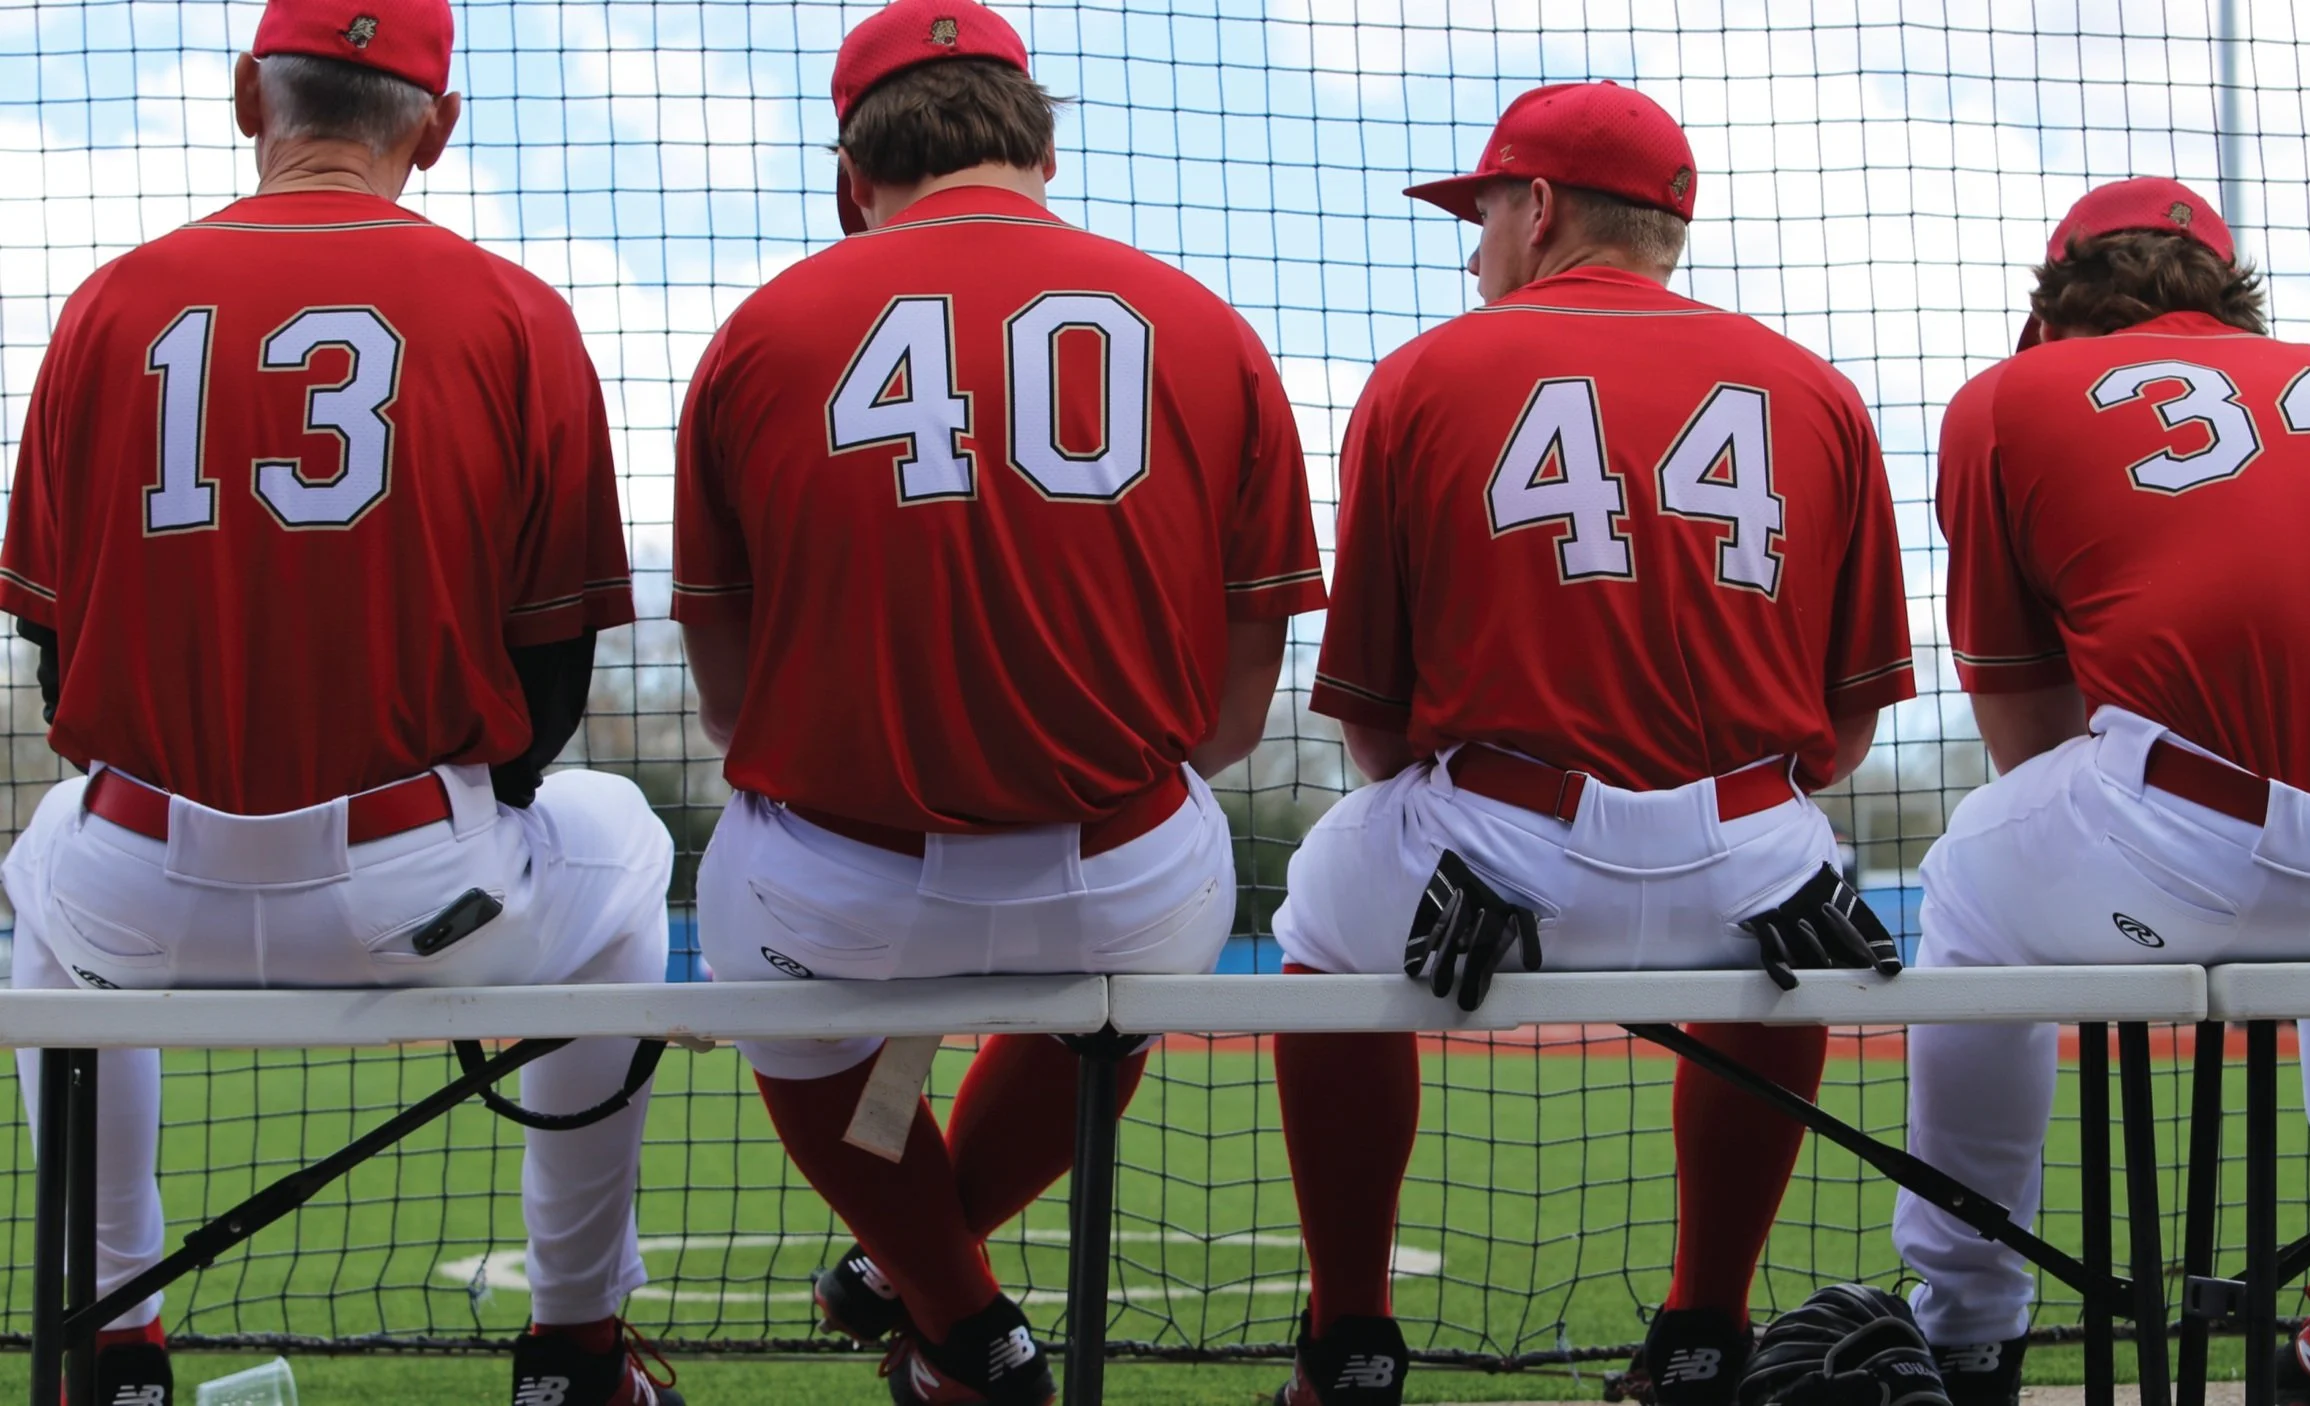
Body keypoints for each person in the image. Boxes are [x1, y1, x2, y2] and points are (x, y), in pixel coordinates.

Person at [0, 2, 680, 1403]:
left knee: (48, 881)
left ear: (253, 94)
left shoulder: (107, 304)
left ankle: (110, 1349)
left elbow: (56, 656)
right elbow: (554, 677)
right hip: (415, 897)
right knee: (624, 847)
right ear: (434, 127)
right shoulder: (518, 313)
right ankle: (574, 1349)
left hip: (140, 885)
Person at [669, 1, 1326, 1400]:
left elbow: (732, 713)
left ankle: (965, 1324)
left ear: (856, 176)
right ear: (1039, 142)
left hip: (839, 895)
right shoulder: (1207, 325)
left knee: (787, 986)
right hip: (1124, 879)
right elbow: (1230, 721)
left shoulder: (757, 330)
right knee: (1114, 994)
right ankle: (940, 1299)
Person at [1267, 81, 1917, 1406]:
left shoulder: (1423, 374)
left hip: (1488, 860)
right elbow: (1842, 733)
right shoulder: (1819, 390)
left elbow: (1379, 732)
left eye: (1486, 208)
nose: (1474, 243)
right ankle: (1703, 1333)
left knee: (1318, 927)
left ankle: (1349, 1349)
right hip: (1754, 873)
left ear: (1544, 205)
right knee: (1791, 897)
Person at [1895, 176, 2310, 1406]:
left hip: (2193, 836)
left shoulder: (2007, 398)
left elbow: (2024, 725)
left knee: (1962, 880)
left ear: (2053, 300)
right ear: (2231, 292)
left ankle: (1965, 1332)